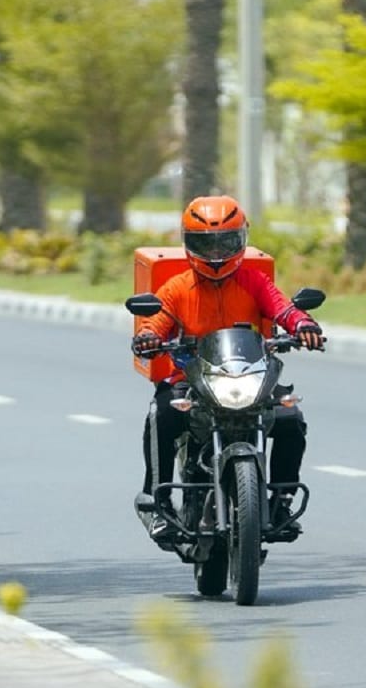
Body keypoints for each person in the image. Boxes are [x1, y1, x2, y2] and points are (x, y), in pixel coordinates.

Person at [132, 195, 324, 541]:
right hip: (191, 379)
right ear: (188, 244)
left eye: (226, 242)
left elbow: (283, 309)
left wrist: (303, 326)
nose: (217, 254)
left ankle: (282, 499)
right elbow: (155, 322)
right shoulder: (177, 288)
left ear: (242, 239)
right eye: (207, 244)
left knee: (290, 417)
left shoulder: (255, 282)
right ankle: (157, 501)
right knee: (161, 413)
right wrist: (146, 337)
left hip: (249, 377)